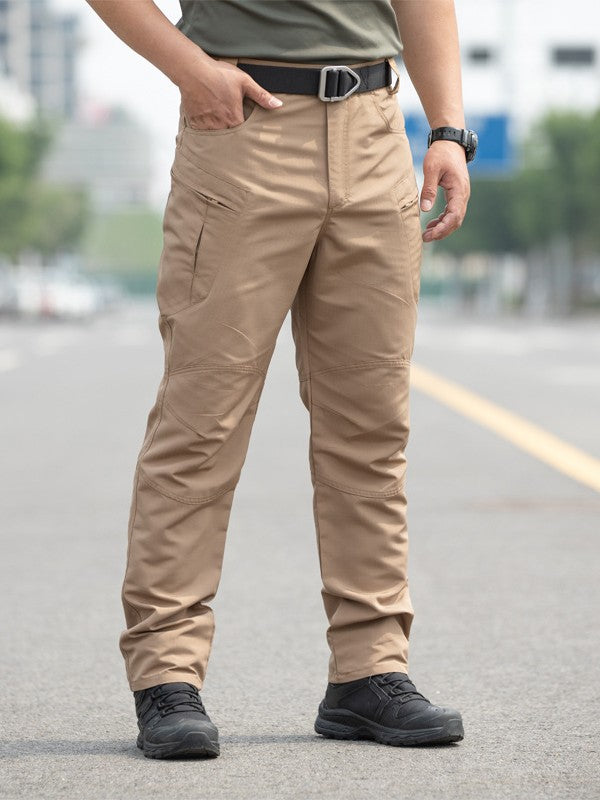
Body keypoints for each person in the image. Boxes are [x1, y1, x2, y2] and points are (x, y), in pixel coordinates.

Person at [86, 0, 475, 759]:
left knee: (370, 428)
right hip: (242, 127)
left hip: (373, 127)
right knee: (202, 423)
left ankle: (370, 669)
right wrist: (188, 68)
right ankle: (167, 674)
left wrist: (448, 129)